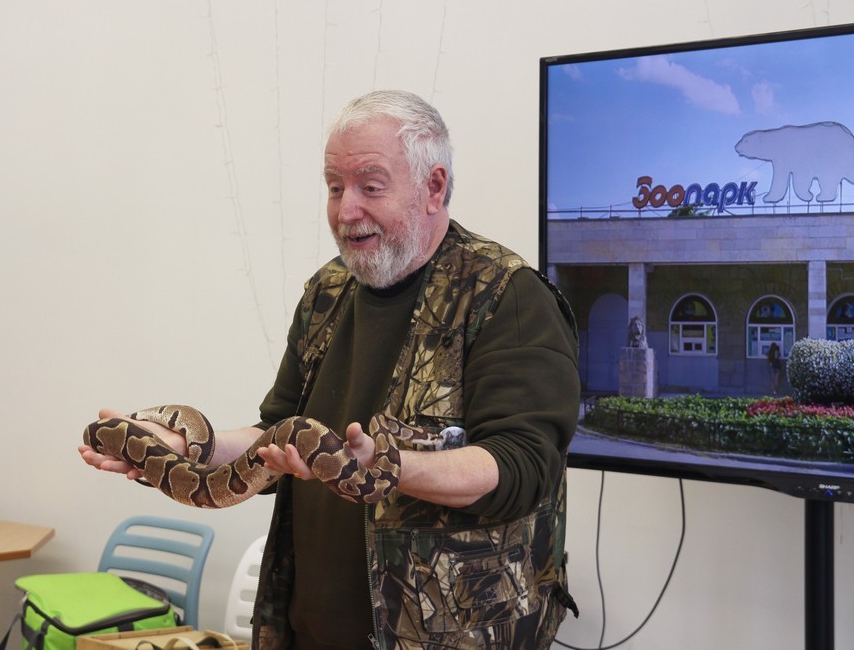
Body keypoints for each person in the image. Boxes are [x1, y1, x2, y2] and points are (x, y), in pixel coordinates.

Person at [79, 90, 581, 649]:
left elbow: (522, 465)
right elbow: (277, 433)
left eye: (370, 186)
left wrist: (387, 466)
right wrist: (185, 443)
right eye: (335, 187)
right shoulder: (327, 291)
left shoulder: (507, 296)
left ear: (433, 187)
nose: (345, 212)